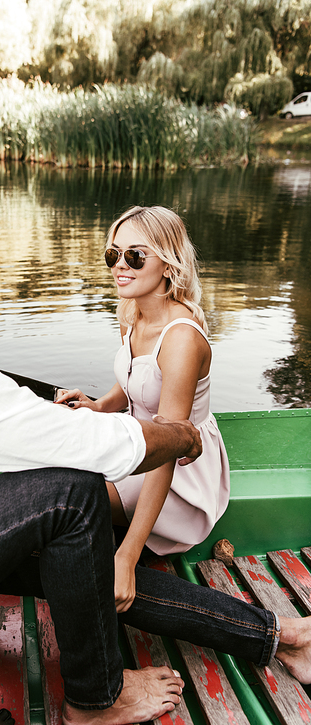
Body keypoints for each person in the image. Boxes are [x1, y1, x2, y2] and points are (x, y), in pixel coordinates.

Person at [0, 189, 310, 725]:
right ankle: (95, 701)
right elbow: (99, 446)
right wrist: (182, 439)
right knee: (73, 494)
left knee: (73, 544)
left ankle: (281, 636)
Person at [56, 205, 229, 613]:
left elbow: (170, 447)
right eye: (113, 254)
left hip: (178, 476)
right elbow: (132, 382)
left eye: (135, 256)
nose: (120, 266)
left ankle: (112, 554)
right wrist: (99, 406)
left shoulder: (182, 339)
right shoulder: (131, 313)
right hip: (136, 441)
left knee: (71, 495)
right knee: (55, 463)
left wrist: (127, 557)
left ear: (168, 266)